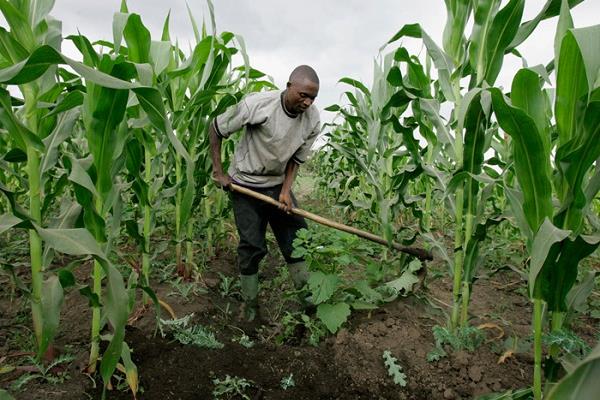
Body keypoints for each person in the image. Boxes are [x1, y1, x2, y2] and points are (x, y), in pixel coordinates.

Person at [209, 65, 320, 322]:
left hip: (278, 184)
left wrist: (285, 191)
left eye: (313, 97)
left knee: (297, 239)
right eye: (303, 94)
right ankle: (250, 308)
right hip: (246, 186)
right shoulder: (258, 105)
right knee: (251, 246)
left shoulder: (312, 119)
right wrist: (219, 171)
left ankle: (310, 305)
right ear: (289, 85)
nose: (307, 102)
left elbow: (296, 159)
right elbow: (216, 128)